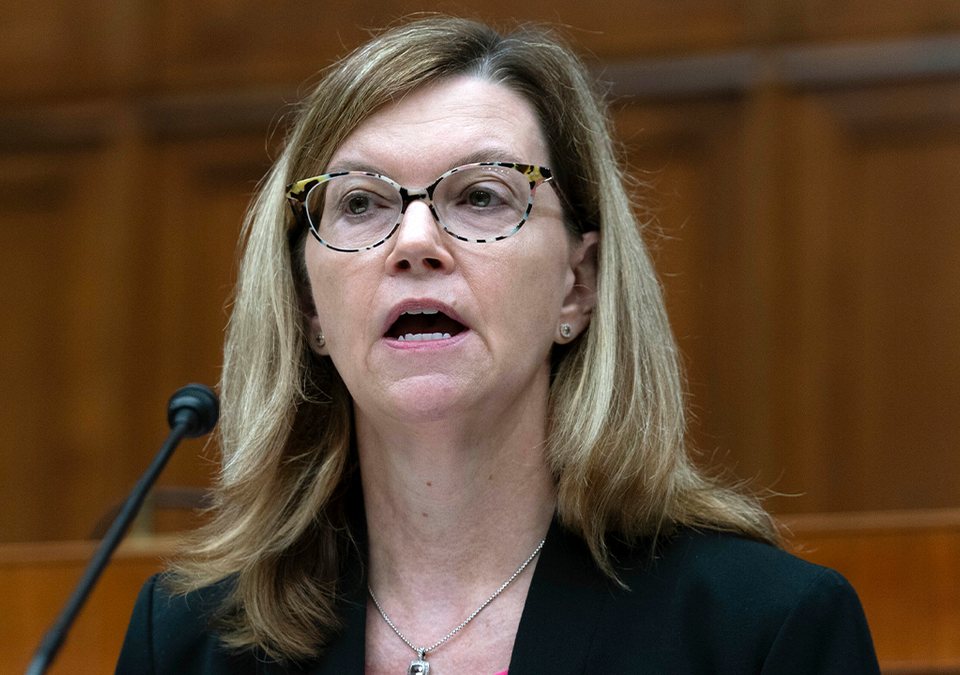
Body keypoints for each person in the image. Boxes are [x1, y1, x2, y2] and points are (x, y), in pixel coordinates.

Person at [116, 16, 879, 675]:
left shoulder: (760, 633)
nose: (415, 241)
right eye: (359, 202)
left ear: (577, 286)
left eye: (482, 195)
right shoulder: (191, 642)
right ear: (310, 303)